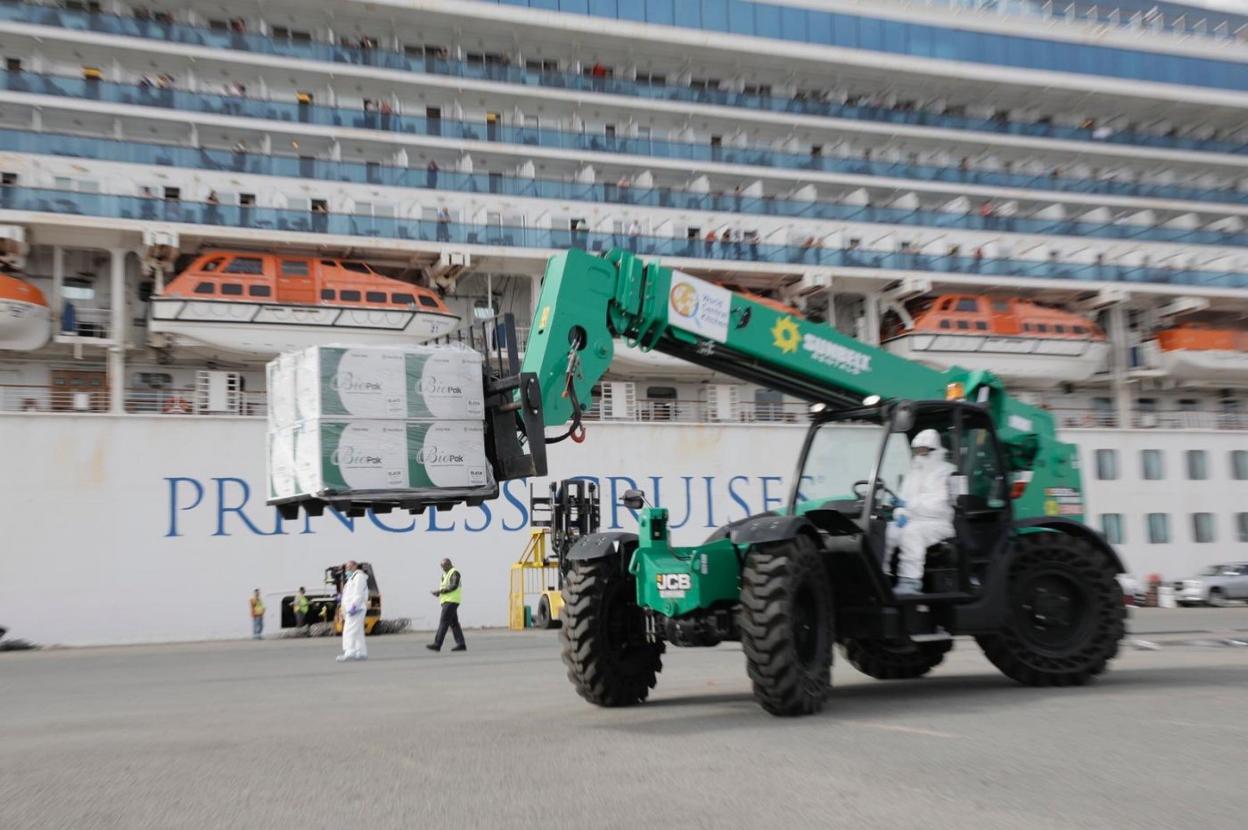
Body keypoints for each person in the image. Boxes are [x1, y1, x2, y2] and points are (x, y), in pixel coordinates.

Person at [885, 429, 956, 595]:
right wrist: (900, 512)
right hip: (913, 519)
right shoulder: (914, 473)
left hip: (939, 523)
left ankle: (910, 582)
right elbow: (902, 498)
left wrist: (908, 505)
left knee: (912, 533)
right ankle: (884, 575)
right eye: (916, 451)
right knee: (888, 531)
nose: (919, 455)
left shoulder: (947, 472)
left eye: (923, 451)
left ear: (934, 450)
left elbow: (939, 505)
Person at [426, 558, 466, 652]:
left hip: (451, 601)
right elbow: (446, 587)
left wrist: (440, 591)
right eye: (442, 567)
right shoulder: (445, 574)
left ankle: (437, 644)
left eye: (444, 566)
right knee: (454, 624)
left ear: (449, 564)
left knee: (443, 622)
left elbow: (453, 586)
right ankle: (461, 644)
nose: (443, 568)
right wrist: (439, 593)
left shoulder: (454, 572)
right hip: (447, 601)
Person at [337, 561, 369, 662]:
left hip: (356, 609)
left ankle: (350, 651)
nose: (348, 569)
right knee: (358, 631)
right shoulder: (352, 578)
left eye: (350, 567)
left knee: (349, 630)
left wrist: (354, 606)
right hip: (352, 609)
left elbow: (358, 593)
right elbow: (349, 594)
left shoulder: (358, 577)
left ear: (355, 566)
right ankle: (361, 652)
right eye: (346, 568)